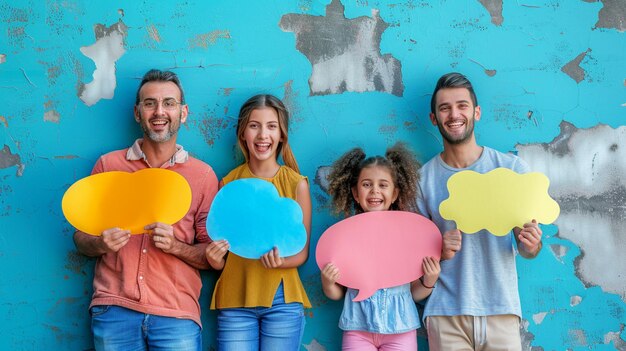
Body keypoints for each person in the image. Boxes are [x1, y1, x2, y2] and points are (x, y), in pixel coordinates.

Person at [73, 69, 218, 351]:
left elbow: (211, 256)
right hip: (115, 309)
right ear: (138, 113)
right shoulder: (108, 166)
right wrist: (100, 243)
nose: (159, 111)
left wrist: (176, 246)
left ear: (183, 112)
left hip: (176, 315)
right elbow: (80, 239)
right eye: (150, 103)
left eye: (169, 103)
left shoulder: (203, 176)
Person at [417, 72, 543, 351]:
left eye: (462, 105)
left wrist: (531, 244)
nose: (454, 114)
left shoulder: (511, 170)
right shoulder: (421, 181)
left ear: (476, 112)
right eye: (444, 108)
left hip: (501, 310)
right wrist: (439, 247)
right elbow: (413, 257)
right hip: (445, 313)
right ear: (434, 118)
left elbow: (528, 250)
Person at [205, 94, 312, 350]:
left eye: (271, 126)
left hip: (282, 300)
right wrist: (214, 259)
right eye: (254, 125)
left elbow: (302, 253)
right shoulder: (227, 184)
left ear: (282, 134)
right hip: (235, 299)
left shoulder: (297, 184)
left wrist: (281, 262)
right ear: (243, 133)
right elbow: (224, 253)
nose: (263, 135)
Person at [320, 143, 441, 351]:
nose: (375, 190)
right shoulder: (344, 237)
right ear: (356, 194)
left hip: (400, 330)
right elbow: (336, 294)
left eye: (383, 185)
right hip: (357, 328)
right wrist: (328, 282)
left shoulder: (407, 237)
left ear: (394, 194)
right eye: (367, 184)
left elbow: (414, 293)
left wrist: (429, 281)